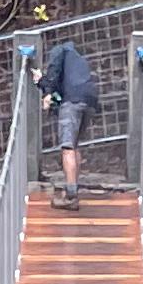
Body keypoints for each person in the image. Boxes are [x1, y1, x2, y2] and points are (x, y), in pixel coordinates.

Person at [40, 30, 99, 201]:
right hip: (89, 101)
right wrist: (42, 83)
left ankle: (71, 195)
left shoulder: (60, 50)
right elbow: (62, 81)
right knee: (75, 145)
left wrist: (47, 93)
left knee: (67, 148)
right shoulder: (78, 59)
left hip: (72, 102)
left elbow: (54, 73)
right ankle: (73, 186)